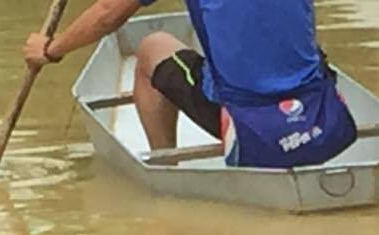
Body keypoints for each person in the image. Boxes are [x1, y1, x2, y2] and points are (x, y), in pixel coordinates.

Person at [24, 0, 356, 168]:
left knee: (152, 47)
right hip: (318, 113)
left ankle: (166, 167)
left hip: (245, 121)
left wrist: (51, 50)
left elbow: (109, 12)